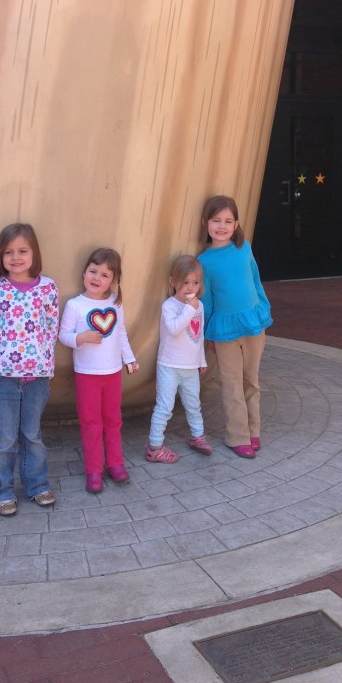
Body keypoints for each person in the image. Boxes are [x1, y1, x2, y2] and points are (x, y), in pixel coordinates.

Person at [0, 223, 58, 516]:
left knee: (32, 435)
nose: (16, 257)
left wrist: (41, 361)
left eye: (22, 251)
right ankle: (1, 491)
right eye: (8, 252)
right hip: (3, 377)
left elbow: (51, 327)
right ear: (0, 256)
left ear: (33, 253)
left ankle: (36, 486)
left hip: (37, 377)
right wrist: (6, 359)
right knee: (4, 439)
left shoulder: (48, 288)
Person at [59, 247, 139, 493]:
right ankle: (94, 469)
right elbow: (63, 335)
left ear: (113, 281)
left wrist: (129, 358)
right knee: (91, 422)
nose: (97, 278)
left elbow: (121, 333)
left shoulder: (116, 303)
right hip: (87, 374)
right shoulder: (75, 305)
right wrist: (81, 338)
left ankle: (115, 463)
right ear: (84, 272)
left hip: (112, 373)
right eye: (93, 271)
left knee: (113, 420)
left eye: (105, 275)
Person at [198, 195, 272, 459]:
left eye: (228, 221)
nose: (222, 226)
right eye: (216, 220)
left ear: (236, 224)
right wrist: (206, 334)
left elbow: (256, 281)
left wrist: (262, 309)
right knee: (232, 384)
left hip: (254, 326)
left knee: (251, 381)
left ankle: (254, 431)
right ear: (206, 222)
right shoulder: (204, 262)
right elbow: (205, 301)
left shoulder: (244, 249)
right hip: (225, 331)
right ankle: (237, 436)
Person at [146, 255, 212, 463]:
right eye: (185, 282)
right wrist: (189, 309)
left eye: (195, 282)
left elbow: (198, 335)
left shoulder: (198, 306)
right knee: (164, 407)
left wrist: (201, 360)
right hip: (169, 365)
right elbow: (174, 329)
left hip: (190, 367)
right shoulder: (170, 306)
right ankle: (154, 447)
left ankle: (198, 436)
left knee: (193, 404)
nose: (190, 287)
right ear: (173, 281)